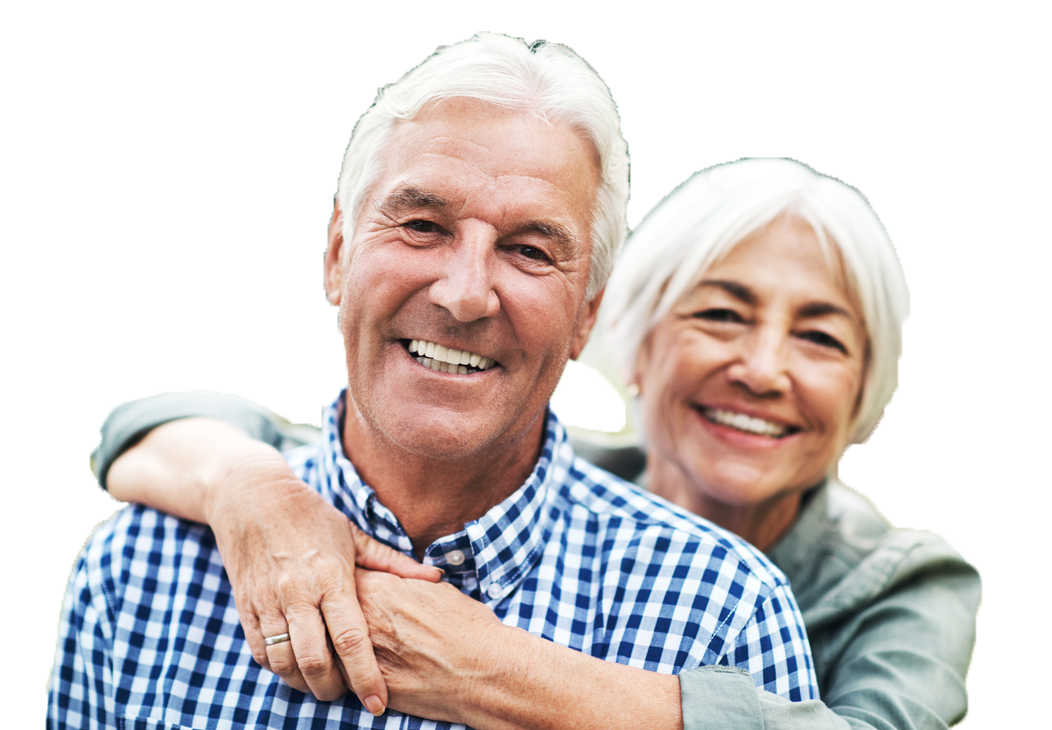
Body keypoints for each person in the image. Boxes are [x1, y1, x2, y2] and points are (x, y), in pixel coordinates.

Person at [47, 34, 818, 730]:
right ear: (338, 255)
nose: (463, 293)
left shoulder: (718, 616)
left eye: (528, 250)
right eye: (422, 226)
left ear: (585, 317)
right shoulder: (143, 571)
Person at [83, 157, 980, 729]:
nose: (762, 367)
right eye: (719, 315)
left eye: (820, 339)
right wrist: (250, 490)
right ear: (626, 339)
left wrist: (484, 669)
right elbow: (195, 435)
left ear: (866, 390)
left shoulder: (897, 586)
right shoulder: (516, 476)